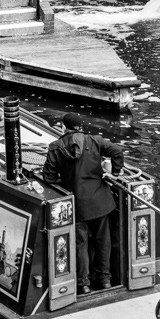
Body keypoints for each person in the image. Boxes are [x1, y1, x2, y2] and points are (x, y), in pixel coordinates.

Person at [42, 116, 124, 294]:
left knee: (81, 244)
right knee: (103, 242)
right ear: (80, 126)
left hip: (76, 205)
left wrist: (64, 179)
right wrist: (115, 173)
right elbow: (117, 151)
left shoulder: (55, 147)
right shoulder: (95, 141)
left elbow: (48, 178)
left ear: (63, 127)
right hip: (101, 203)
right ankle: (105, 281)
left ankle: (84, 284)